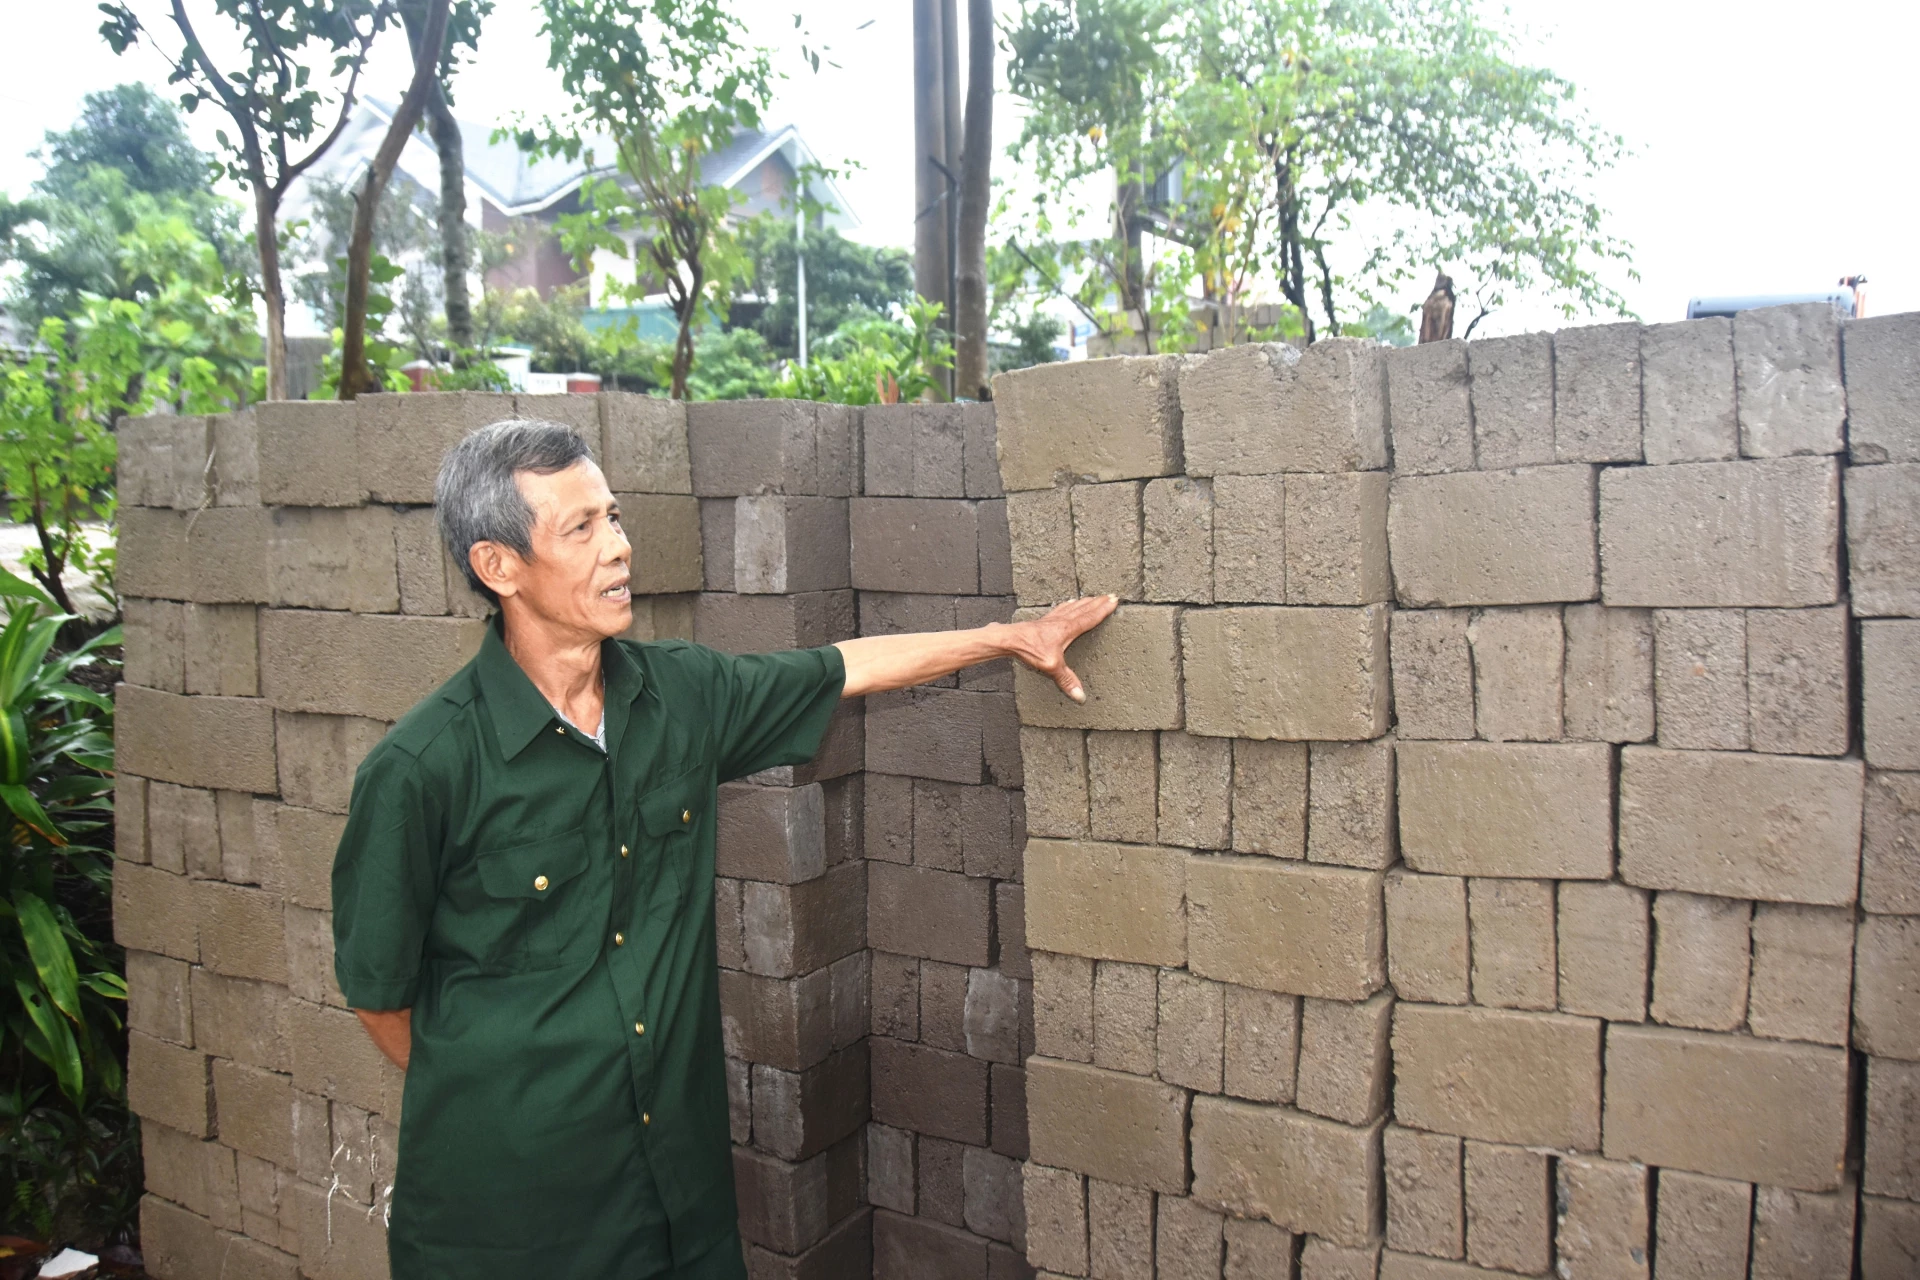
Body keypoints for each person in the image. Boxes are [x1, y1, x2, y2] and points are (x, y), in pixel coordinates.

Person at [331, 419, 1114, 1279]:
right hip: (513, 1219)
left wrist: (1008, 638)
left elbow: (841, 667)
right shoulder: (421, 770)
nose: (620, 548)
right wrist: (512, 1091)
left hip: (677, 1195)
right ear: (499, 566)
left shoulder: (679, 697)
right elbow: (380, 998)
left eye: (615, 517)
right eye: (582, 528)